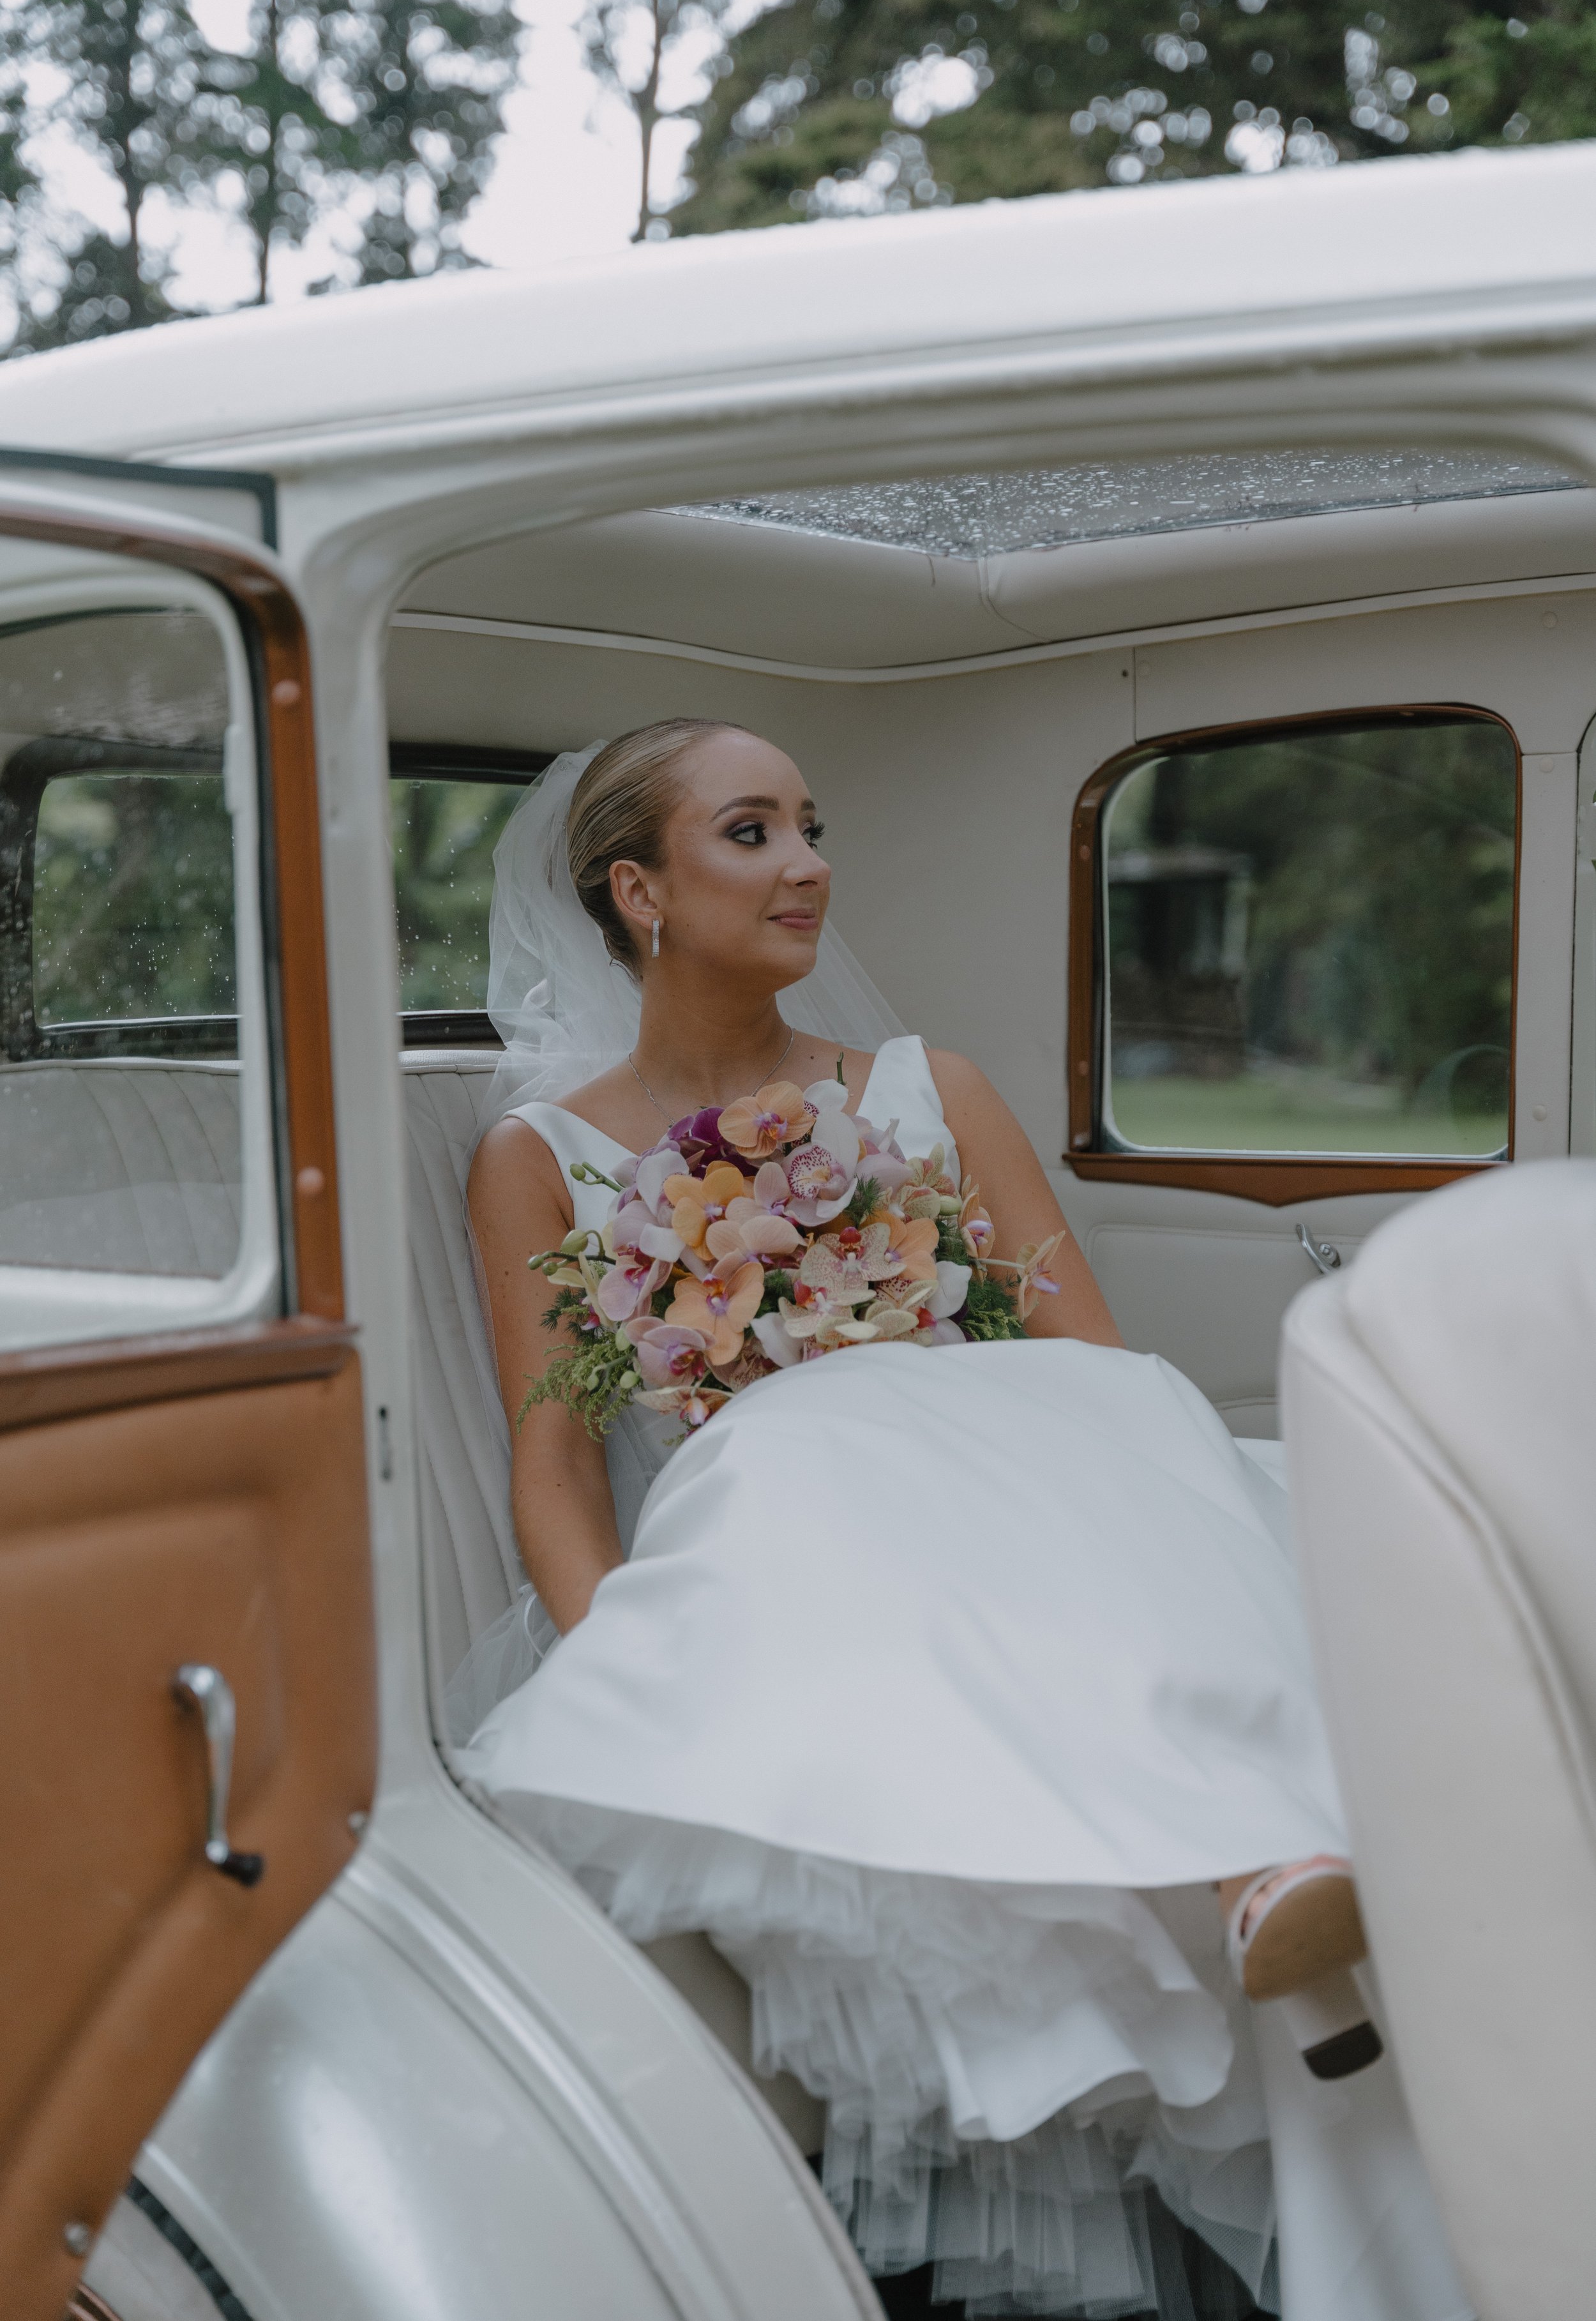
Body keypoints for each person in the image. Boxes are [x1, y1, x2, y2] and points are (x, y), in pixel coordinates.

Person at [457, 721, 1472, 2321]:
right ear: (637, 889)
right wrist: (627, 1659)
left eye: (812, 823)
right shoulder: (545, 1158)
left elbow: (1085, 1357)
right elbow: (557, 1472)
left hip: (1015, 1471)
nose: (807, 865)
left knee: (1124, 1414)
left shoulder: (934, 1091)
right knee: (816, 1446)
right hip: (778, 1530)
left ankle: (1268, 1859)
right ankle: (1252, 1858)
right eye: (752, 832)